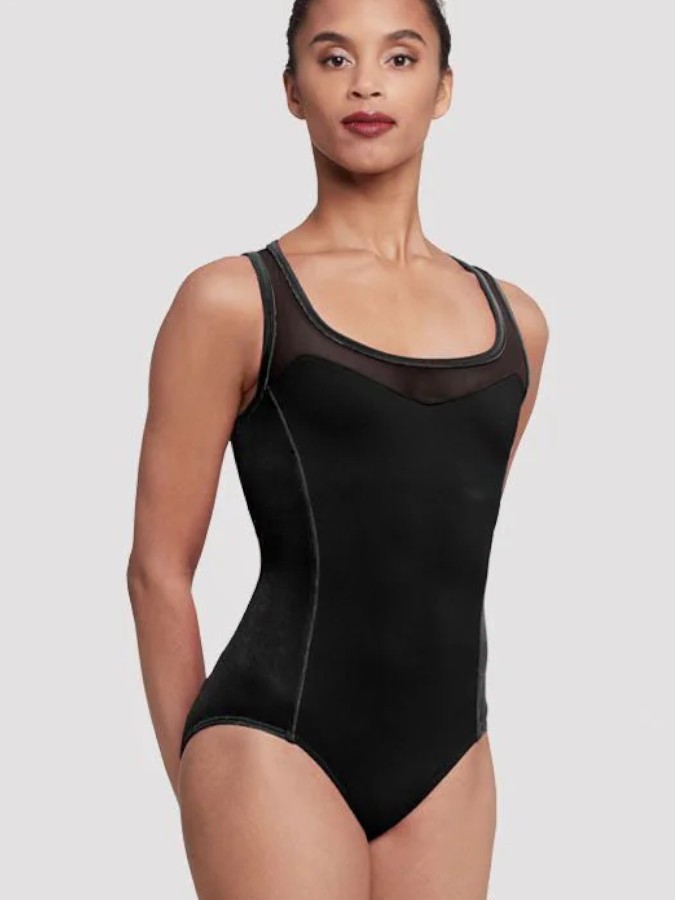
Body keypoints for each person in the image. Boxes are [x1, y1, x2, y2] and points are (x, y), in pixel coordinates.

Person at [126, 0, 549, 897]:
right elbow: (158, 570)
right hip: (273, 743)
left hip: (451, 758)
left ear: (443, 88)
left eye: (399, 58)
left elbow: (435, 541)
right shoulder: (233, 301)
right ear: (292, 91)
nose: (365, 85)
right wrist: (195, 780)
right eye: (331, 58)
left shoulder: (518, 325)